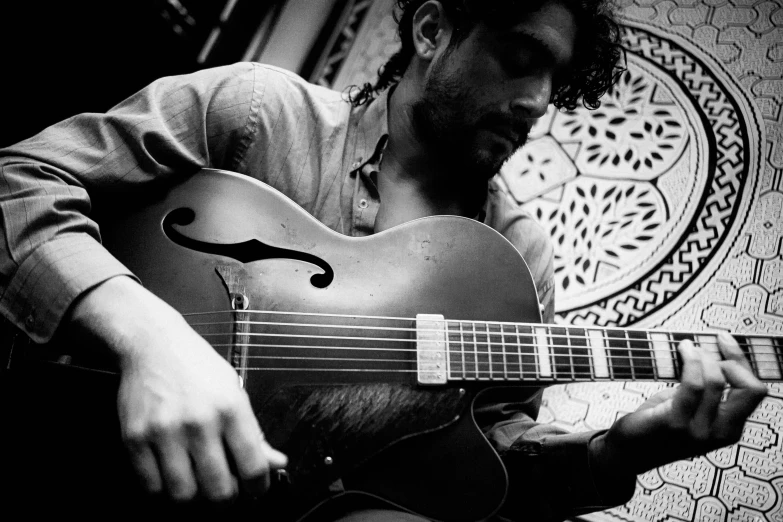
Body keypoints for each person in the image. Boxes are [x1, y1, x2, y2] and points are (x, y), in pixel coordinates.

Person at [0, 0, 768, 521]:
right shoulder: (260, 112)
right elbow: (18, 179)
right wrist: (150, 338)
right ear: (432, 30)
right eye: (520, 57)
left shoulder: (521, 260)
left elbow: (482, 462)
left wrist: (634, 444)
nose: (538, 100)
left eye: (555, 82)